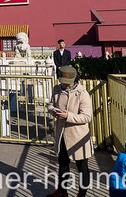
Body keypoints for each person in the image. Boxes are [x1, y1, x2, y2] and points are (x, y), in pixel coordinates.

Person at [47, 65, 93, 197]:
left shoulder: (82, 93)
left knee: (82, 167)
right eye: (63, 82)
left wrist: (68, 116)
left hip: (78, 135)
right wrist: (53, 111)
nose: (65, 85)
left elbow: (87, 116)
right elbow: (51, 104)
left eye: (68, 83)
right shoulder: (57, 89)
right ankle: (62, 191)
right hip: (62, 134)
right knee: (63, 165)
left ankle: (82, 194)